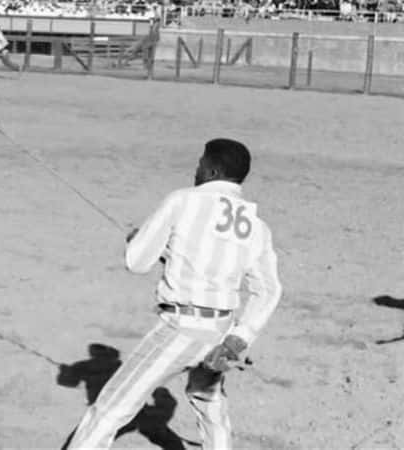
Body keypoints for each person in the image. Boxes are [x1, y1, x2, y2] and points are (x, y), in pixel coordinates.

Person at [66, 138, 282, 450]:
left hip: (180, 327)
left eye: (199, 164)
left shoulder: (183, 200)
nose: (195, 170)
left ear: (211, 170)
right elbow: (269, 288)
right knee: (209, 404)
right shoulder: (255, 225)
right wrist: (240, 337)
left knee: (111, 409)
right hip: (222, 332)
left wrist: (139, 240)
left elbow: (137, 262)